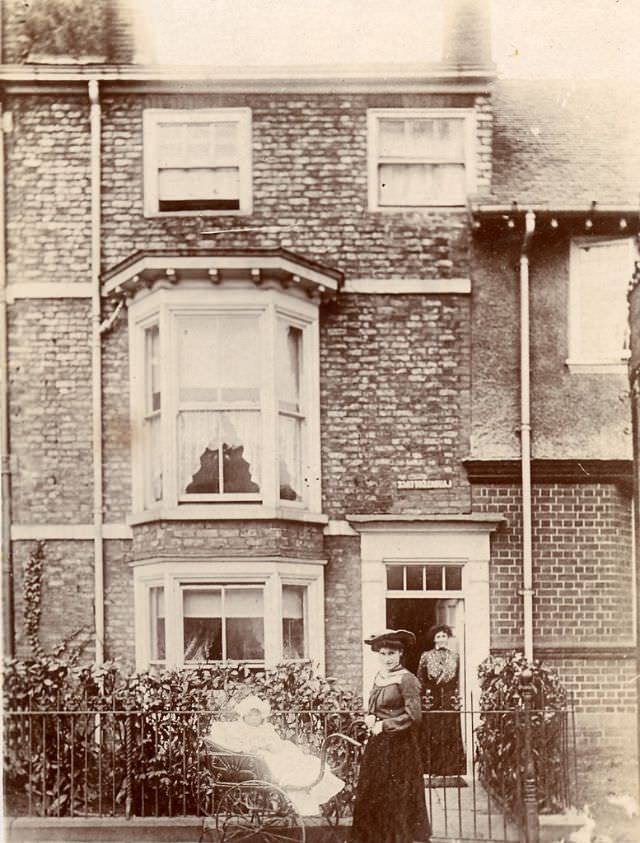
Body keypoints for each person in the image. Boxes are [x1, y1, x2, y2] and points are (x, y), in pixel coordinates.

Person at [352, 629, 431, 843]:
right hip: (378, 745)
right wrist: (370, 717)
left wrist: (386, 725)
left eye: (392, 654)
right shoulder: (379, 678)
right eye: (383, 653)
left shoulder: (407, 679)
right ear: (378, 654)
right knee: (374, 791)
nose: (387, 658)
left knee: (397, 794)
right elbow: (373, 707)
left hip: (400, 746)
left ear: (400, 654)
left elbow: (414, 715)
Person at [207, 694, 345, 815]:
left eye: (257, 714)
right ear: (244, 716)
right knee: (278, 762)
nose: (254, 718)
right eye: (251, 714)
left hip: (276, 751)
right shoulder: (240, 730)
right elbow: (240, 748)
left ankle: (308, 777)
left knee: (297, 758)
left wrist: (271, 745)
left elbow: (276, 744)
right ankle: (293, 779)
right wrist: (258, 746)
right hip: (259, 758)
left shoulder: (266, 729)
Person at [417, 624, 466, 777]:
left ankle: (450, 769)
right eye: (438, 637)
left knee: (449, 730)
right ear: (434, 639)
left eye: (444, 636)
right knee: (433, 731)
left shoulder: (455, 656)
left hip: (449, 697)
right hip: (432, 697)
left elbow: (457, 677)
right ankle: (431, 769)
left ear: (448, 638)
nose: (442, 639)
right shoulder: (426, 656)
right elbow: (420, 677)